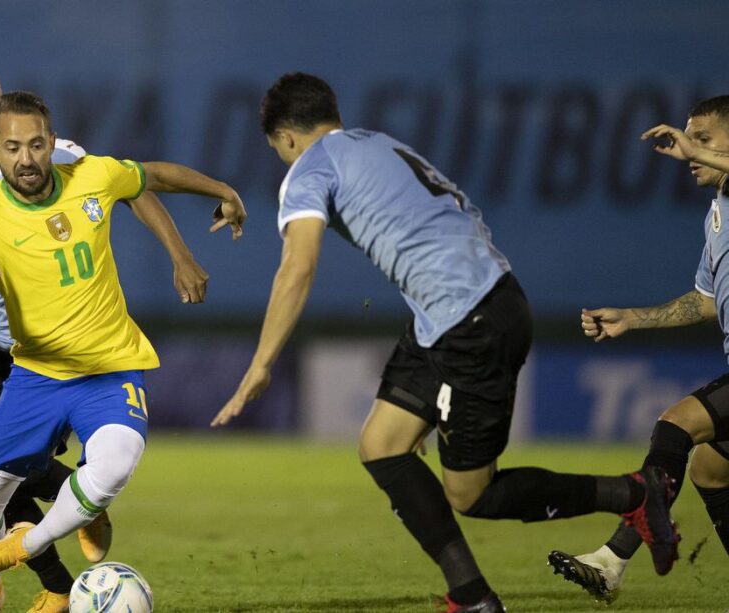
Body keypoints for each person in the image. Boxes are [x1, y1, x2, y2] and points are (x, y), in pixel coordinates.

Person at [209, 72, 676, 612]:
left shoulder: (308, 170)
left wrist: (261, 363)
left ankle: (635, 494)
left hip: (468, 325)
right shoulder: (380, 144)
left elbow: (298, 267)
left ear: (286, 138)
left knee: (472, 494)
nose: (285, 162)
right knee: (382, 444)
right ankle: (472, 596)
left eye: (279, 152)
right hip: (465, 311)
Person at [0, 90, 246, 609]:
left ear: (51, 143)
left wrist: (223, 191)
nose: (26, 159)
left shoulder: (92, 176)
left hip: (109, 368)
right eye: (12, 148)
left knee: (116, 463)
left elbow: (153, 177)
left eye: (36, 145)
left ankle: (23, 545)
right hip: (36, 376)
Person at [549, 96, 729, 603]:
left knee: (677, 424)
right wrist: (634, 317)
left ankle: (612, 560)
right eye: (691, 140)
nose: (693, 151)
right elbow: (707, 301)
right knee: (711, 468)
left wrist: (689, 144)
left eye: (705, 139)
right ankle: (611, 562)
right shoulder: (717, 214)